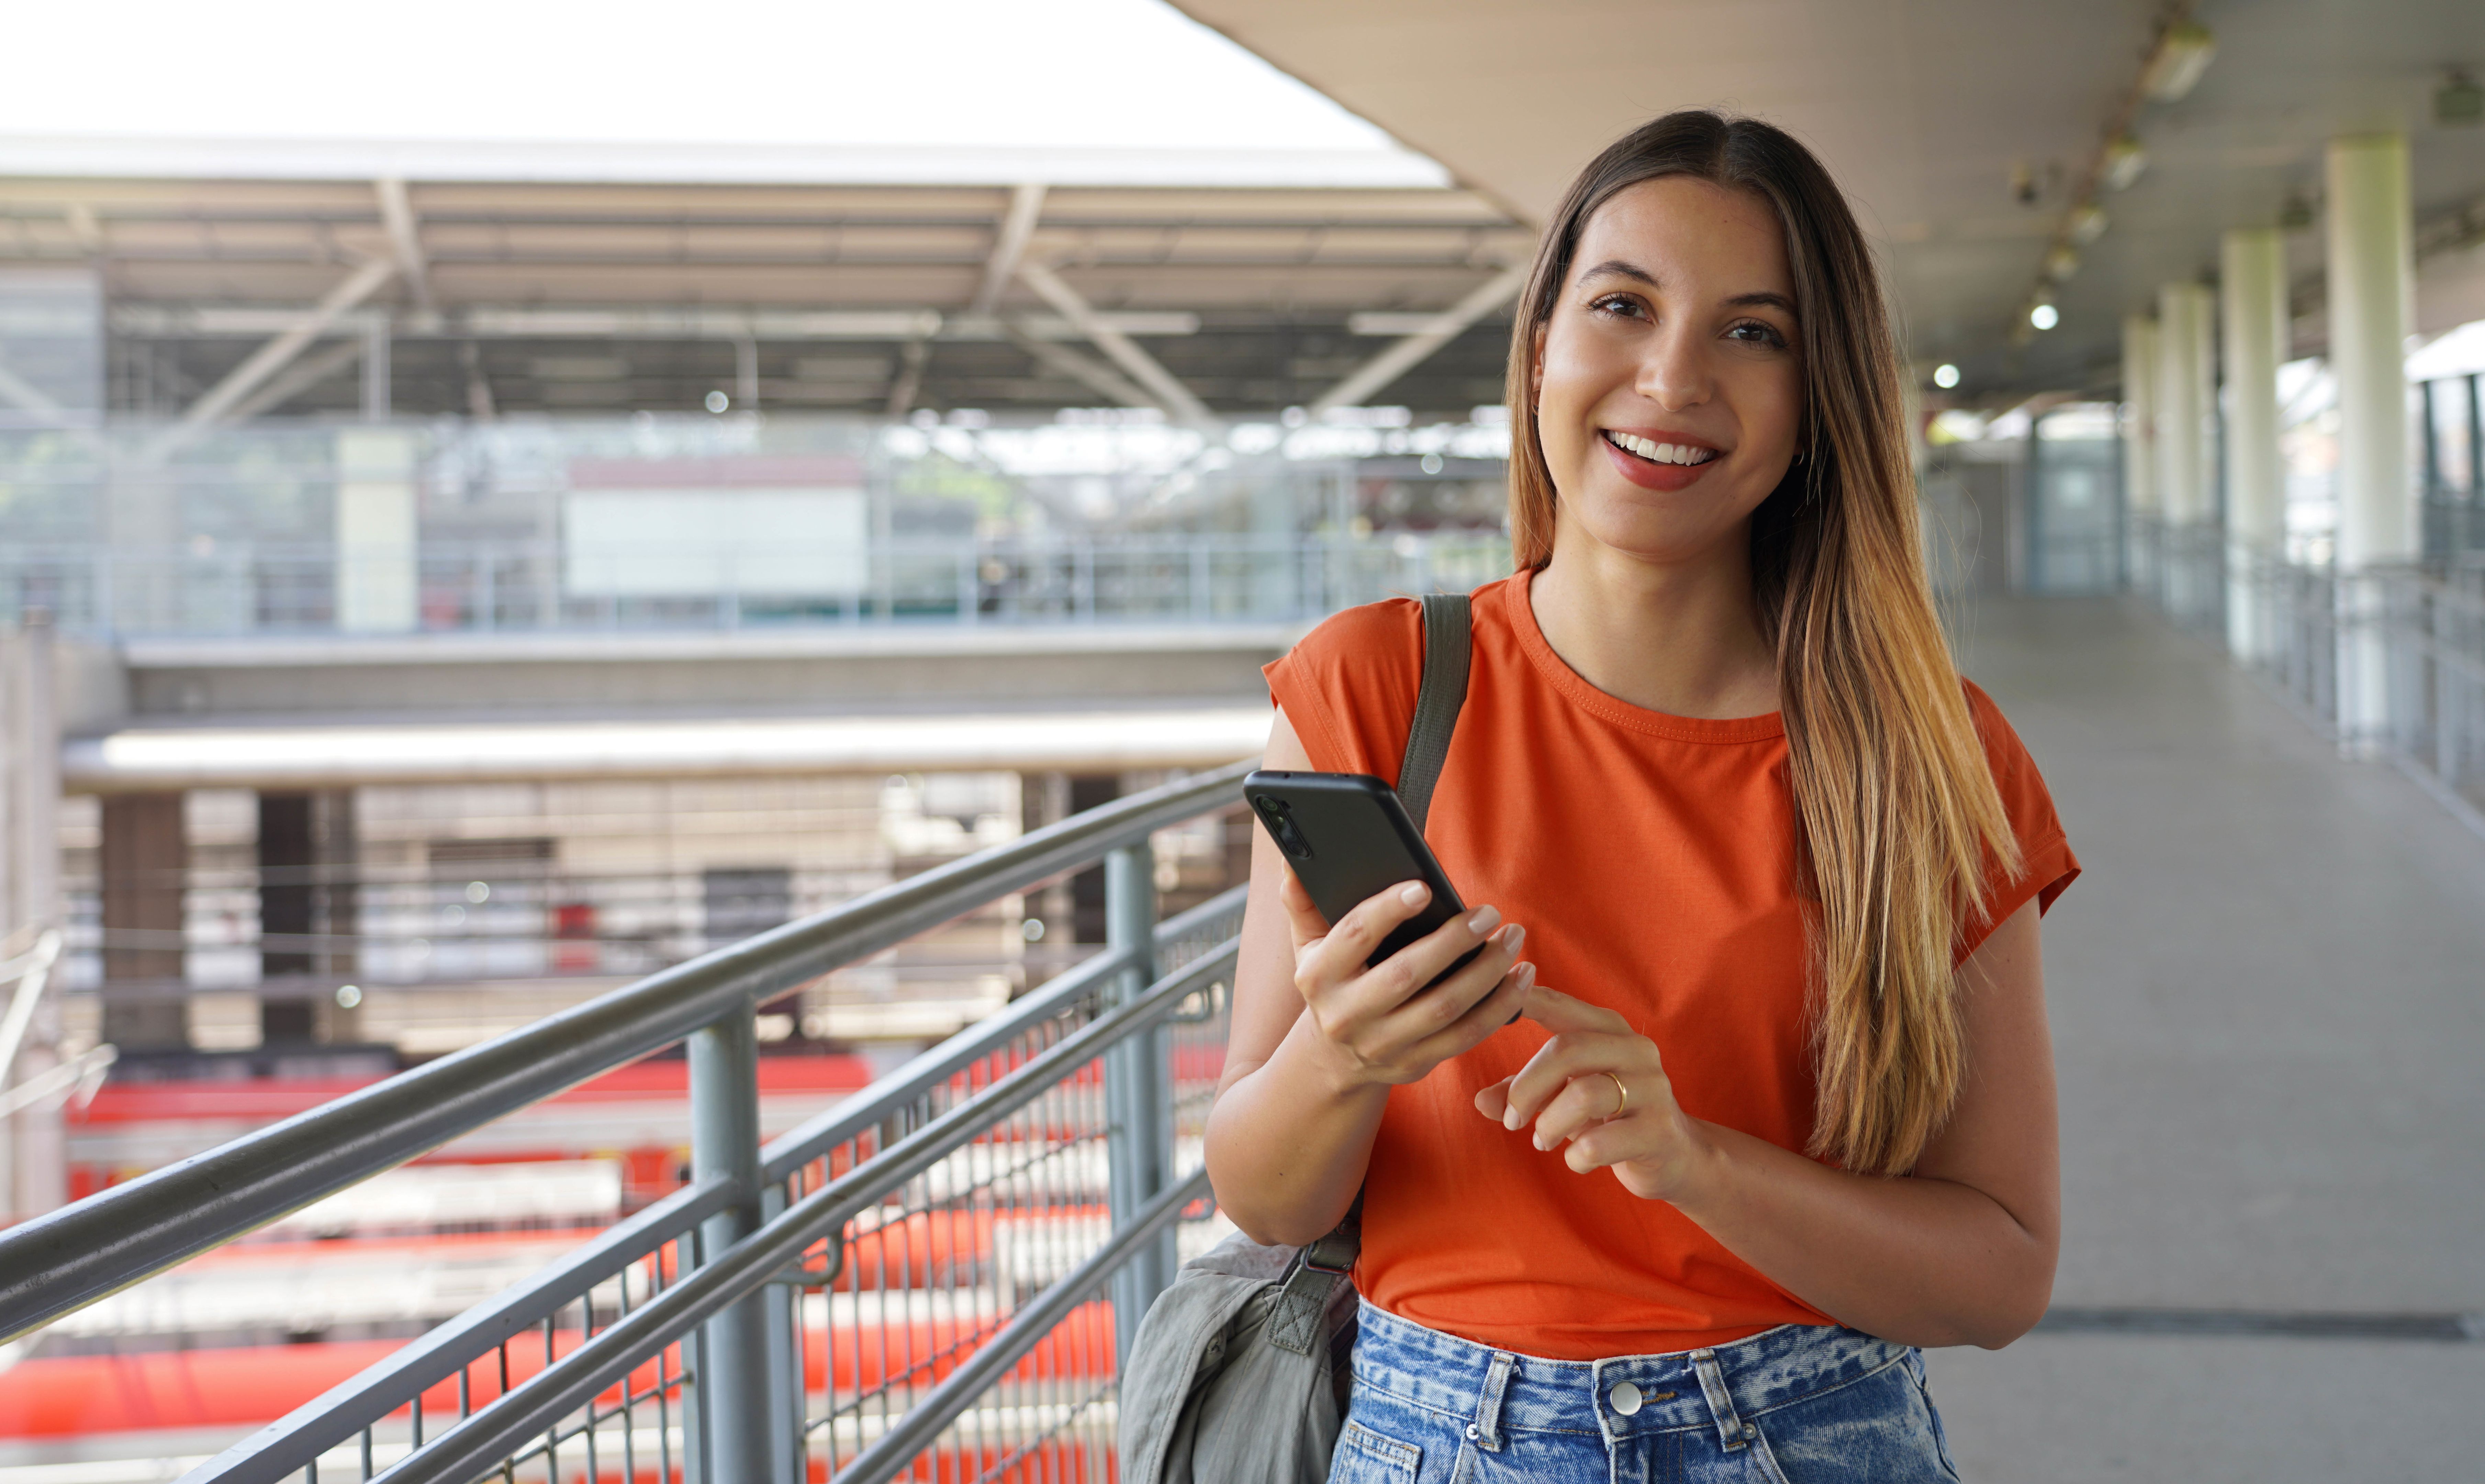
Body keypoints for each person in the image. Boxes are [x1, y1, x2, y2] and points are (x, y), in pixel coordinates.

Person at [1203, 110, 2079, 1482]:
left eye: (1755, 332)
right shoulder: (1370, 686)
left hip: (1812, 1436)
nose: (1670, 379)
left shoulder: (1931, 756)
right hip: (1432, 1433)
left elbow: (2002, 1271)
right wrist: (1344, 1059)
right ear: (1543, 339)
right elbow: (1258, 1194)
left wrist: (1695, 1163)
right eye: (1624, 306)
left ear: (1819, 395)